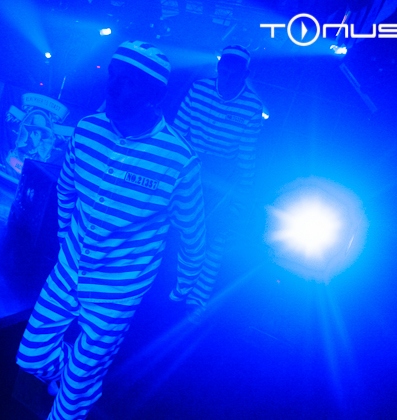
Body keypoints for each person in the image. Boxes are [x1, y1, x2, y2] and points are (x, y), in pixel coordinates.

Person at [16, 40, 206, 420]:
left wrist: (183, 291)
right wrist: (65, 240)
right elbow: (66, 189)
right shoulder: (86, 131)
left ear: (155, 96)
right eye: (113, 76)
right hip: (68, 270)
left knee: (73, 394)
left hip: (118, 290)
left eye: (128, 81)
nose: (113, 87)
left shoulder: (179, 161)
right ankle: (78, 379)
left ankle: (79, 389)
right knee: (31, 356)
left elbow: (193, 235)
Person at [173, 45, 264, 322]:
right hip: (189, 167)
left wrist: (240, 201)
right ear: (217, 68)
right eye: (223, 72)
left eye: (233, 75)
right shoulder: (198, 89)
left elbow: (246, 158)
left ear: (245, 75)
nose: (226, 79)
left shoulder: (252, 107)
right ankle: (168, 287)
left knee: (216, 238)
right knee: (173, 229)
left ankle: (196, 301)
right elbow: (178, 132)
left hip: (221, 178)